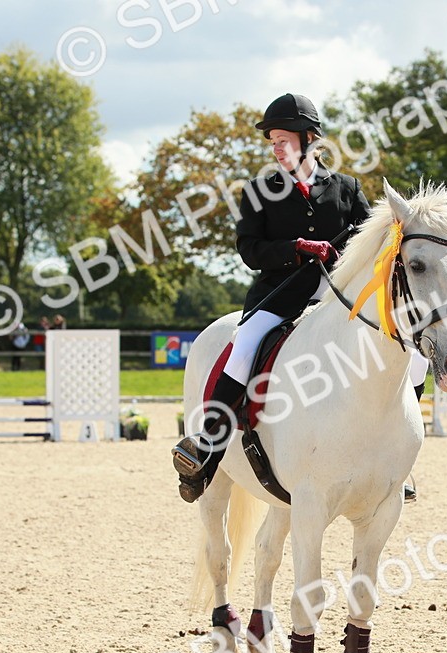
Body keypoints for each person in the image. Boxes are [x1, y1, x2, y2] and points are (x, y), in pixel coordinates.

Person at [173, 92, 429, 504]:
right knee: (244, 345)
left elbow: (374, 241)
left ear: (309, 138)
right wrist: (296, 246)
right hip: (279, 294)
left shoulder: (345, 188)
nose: (276, 149)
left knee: (412, 351)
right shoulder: (259, 190)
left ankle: (399, 458)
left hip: (338, 295)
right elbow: (249, 249)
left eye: (283, 140)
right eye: (272, 141)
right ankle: (209, 445)